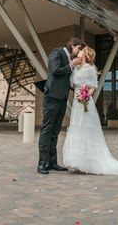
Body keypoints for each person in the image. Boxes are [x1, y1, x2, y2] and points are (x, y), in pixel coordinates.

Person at [62, 46, 118, 175]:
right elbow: (73, 85)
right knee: (77, 128)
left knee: (86, 129)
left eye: (80, 51)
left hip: (85, 102)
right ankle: (78, 162)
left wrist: (86, 96)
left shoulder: (91, 69)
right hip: (76, 101)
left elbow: (93, 87)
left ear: (85, 54)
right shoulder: (76, 69)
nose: (78, 52)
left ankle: (89, 162)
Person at [37, 37, 84, 174]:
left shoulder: (70, 59)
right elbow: (55, 70)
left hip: (62, 98)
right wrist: (72, 65)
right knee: (47, 130)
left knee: (56, 131)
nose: (79, 51)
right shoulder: (56, 53)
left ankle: (52, 162)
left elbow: (67, 79)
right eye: (78, 48)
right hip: (52, 97)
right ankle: (42, 164)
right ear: (72, 45)